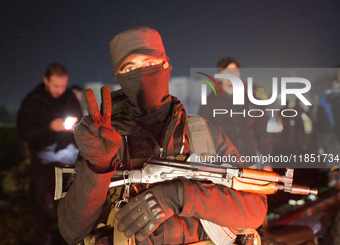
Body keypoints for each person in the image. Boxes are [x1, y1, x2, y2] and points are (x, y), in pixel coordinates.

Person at [58, 27, 267, 245]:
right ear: (119, 77)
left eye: (149, 64)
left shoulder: (202, 133)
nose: (141, 74)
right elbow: (72, 231)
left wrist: (180, 196)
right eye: (130, 67)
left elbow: (255, 209)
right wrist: (97, 167)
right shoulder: (105, 140)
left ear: (166, 65)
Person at [17, 63, 83, 245]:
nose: (60, 90)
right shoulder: (33, 101)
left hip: (71, 162)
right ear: (46, 81)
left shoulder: (69, 97)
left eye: (63, 86)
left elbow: (80, 118)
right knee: (44, 209)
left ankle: (72, 239)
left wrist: (75, 124)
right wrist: (50, 127)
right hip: (44, 164)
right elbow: (23, 132)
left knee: (74, 206)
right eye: (56, 86)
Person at [198, 57, 272, 169]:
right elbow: (202, 133)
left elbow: (262, 133)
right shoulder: (210, 102)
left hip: (250, 163)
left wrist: (267, 163)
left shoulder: (252, 100)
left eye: (235, 71)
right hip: (222, 165)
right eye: (227, 71)